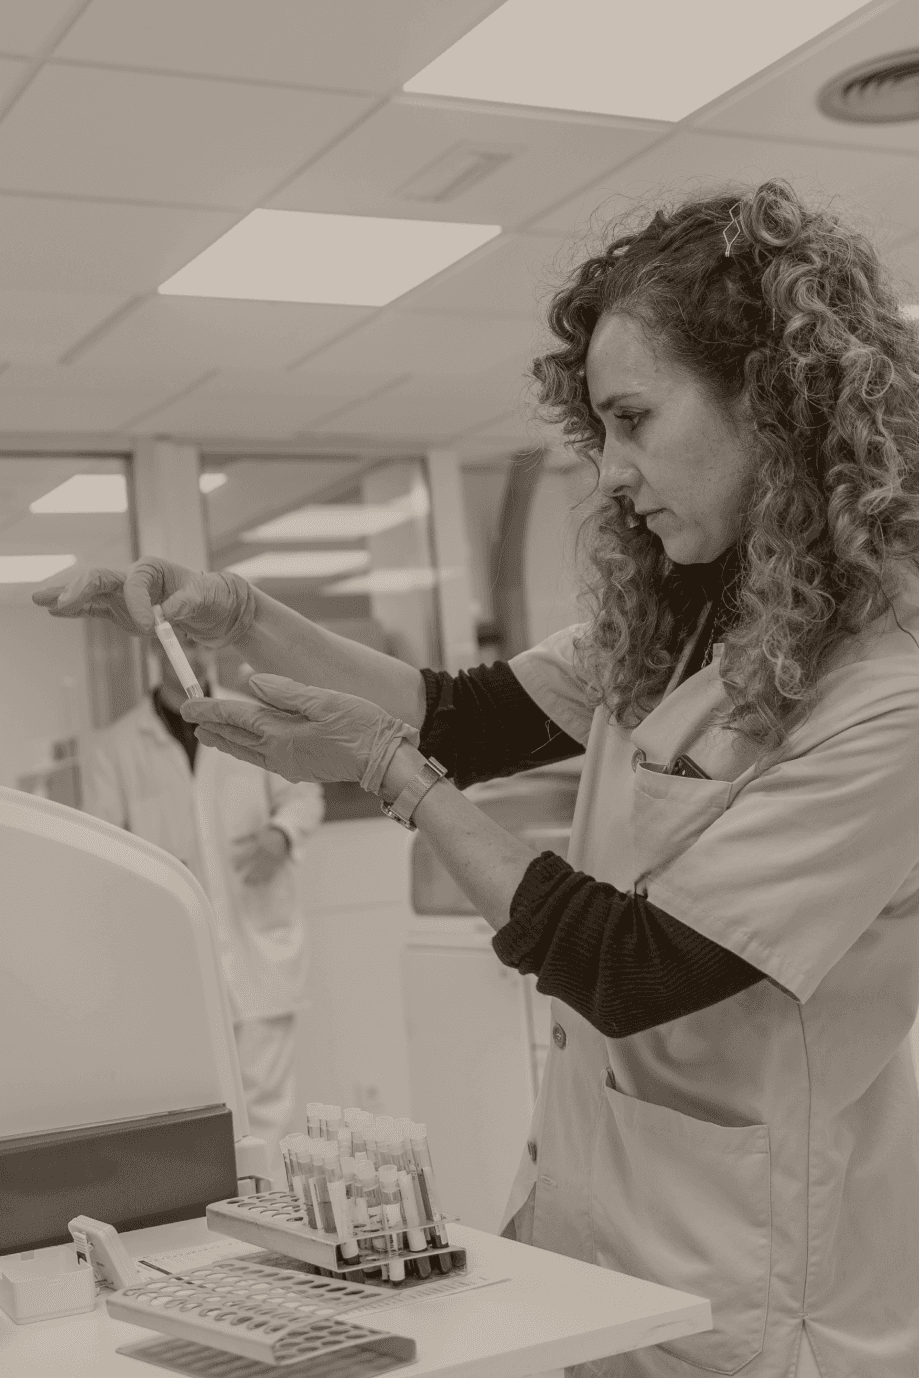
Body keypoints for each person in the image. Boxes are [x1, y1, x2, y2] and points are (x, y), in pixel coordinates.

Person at [35, 180, 919, 1378]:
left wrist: (392, 776)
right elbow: (463, 713)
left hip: (763, 1276)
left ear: (771, 402)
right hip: (600, 1225)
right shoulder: (682, 618)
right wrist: (242, 616)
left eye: (634, 419)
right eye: (599, 430)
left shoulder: (887, 689)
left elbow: (630, 963)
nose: (611, 471)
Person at [78, 623, 324, 1184]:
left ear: (210, 646)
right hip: (173, 959)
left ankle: (273, 1223)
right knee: (196, 1108)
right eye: (171, 643)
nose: (185, 653)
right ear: (149, 649)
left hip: (258, 940)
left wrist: (279, 836)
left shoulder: (254, 719)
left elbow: (304, 793)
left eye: (194, 641)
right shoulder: (116, 748)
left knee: (269, 1107)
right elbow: (103, 850)